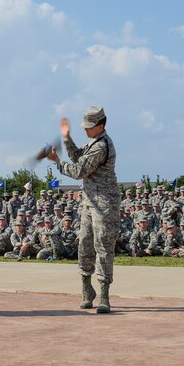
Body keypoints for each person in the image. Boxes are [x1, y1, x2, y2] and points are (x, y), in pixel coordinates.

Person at [47, 106, 119, 313]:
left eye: (89, 127)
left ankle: (104, 295)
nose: (85, 130)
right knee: (85, 244)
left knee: (103, 246)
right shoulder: (93, 143)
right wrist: (67, 139)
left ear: (101, 126)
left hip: (105, 203)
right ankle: (87, 290)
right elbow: (78, 156)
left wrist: (58, 163)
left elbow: (80, 170)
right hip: (89, 201)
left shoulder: (102, 146)